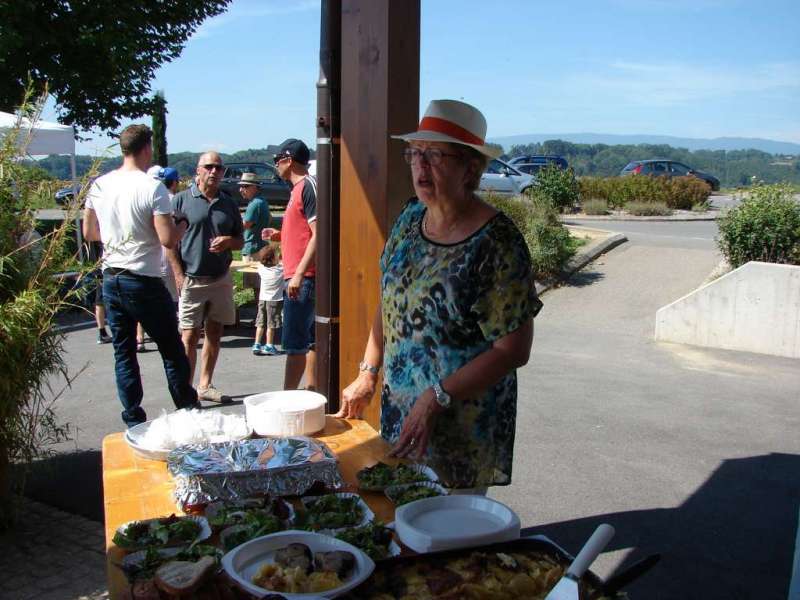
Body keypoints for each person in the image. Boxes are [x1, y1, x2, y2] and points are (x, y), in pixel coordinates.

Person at [336, 100, 543, 492]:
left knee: (450, 534)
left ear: (470, 167)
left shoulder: (498, 242)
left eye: (435, 154)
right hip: (402, 409)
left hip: (461, 423)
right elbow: (390, 297)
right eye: (415, 154)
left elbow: (512, 350)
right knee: (399, 518)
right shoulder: (410, 217)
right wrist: (368, 371)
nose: (420, 166)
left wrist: (436, 398)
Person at [82, 124, 198, 427]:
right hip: (143, 278)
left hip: (111, 276)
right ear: (146, 148)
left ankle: (133, 418)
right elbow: (167, 239)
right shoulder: (152, 187)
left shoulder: (99, 185)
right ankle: (186, 408)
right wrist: (182, 224)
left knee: (124, 353)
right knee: (171, 350)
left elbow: (89, 232)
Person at [167, 152, 244, 404]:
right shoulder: (180, 200)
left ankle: (205, 384)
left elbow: (240, 240)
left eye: (219, 168)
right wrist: (178, 275)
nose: (214, 171)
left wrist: (229, 242)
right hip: (191, 278)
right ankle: (187, 393)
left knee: (214, 332)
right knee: (188, 336)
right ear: (197, 171)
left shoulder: (228, 203)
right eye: (209, 167)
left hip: (220, 278)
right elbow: (169, 244)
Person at [262, 139, 317, 390]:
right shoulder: (297, 188)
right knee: (308, 342)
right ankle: (311, 391)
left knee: (296, 345)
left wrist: (299, 274)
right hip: (298, 275)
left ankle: (288, 398)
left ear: (288, 160)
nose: (275, 165)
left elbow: (319, 233)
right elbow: (304, 230)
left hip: (304, 277)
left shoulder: (307, 186)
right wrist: (278, 234)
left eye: (277, 160)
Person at [252, 244, 284, 356]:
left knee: (260, 323)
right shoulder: (280, 270)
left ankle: (257, 344)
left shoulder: (261, 269)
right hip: (274, 300)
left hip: (262, 299)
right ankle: (269, 345)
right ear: (274, 258)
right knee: (271, 324)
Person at [240, 172, 272, 262]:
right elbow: (270, 218)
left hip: (253, 250)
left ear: (254, 187)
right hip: (262, 247)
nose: (240, 190)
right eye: (241, 186)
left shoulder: (254, 204)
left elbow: (243, 226)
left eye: (244, 186)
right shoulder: (262, 201)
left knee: (250, 276)